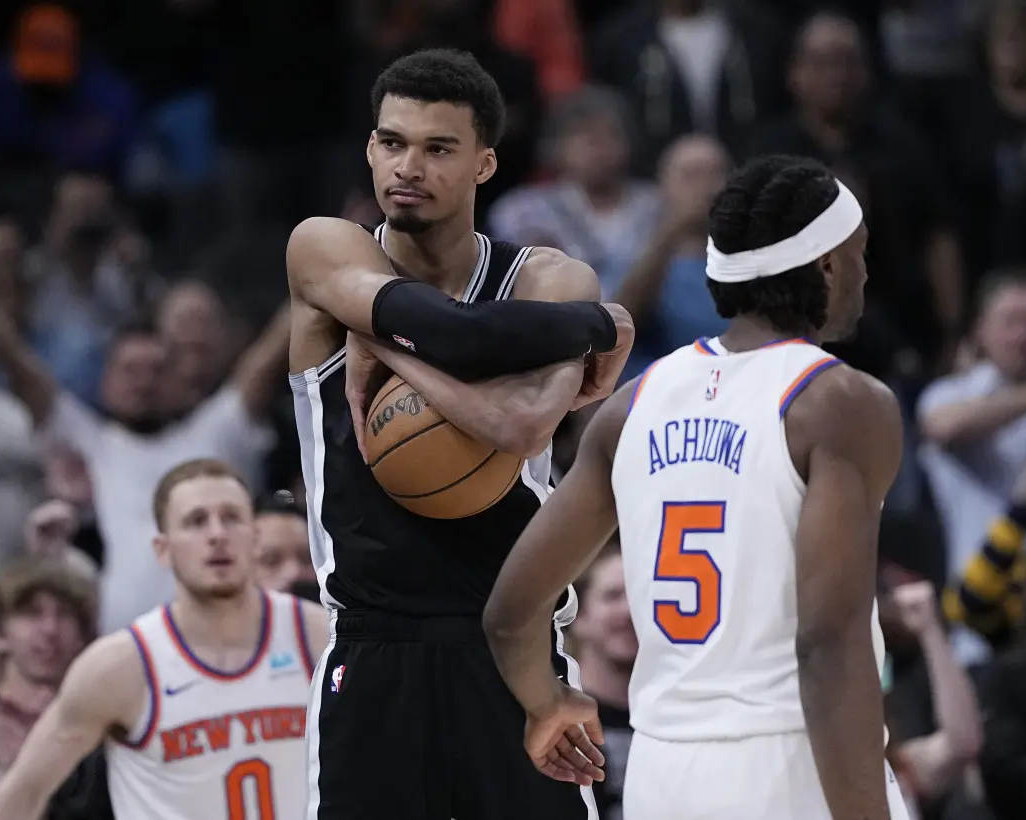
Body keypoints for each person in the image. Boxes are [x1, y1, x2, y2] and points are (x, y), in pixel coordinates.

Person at [482, 155, 913, 820]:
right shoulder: (841, 403)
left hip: (663, 772)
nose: (866, 269)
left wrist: (549, 703)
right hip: (788, 763)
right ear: (827, 264)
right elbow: (828, 643)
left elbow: (510, 611)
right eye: (858, 251)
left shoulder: (634, 405)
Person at [286, 48, 635, 820]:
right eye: (390, 142)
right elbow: (454, 334)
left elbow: (519, 423)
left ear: (484, 164)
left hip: (512, 650)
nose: (406, 166)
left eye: (437, 148)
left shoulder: (549, 277)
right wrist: (602, 325)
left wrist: (382, 350)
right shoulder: (325, 249)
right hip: (374, 650)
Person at [0, 458, 329, 820]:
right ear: (162, 548)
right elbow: (22, 793)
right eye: (196, 521)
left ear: (254, 539)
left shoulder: (318, 639)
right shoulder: (120, 666)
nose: (217, 534)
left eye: (232, 517)